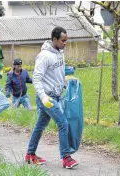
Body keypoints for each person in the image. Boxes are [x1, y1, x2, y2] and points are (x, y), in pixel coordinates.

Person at [25, 27, 79, 169]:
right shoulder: (44, 56)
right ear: (54, 39)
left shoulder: (60, 52)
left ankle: (30, 154)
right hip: (47, 98)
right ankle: (66, 158)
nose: (65, 43)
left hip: (56, 95)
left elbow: (57, 74)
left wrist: (66, 83)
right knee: (63, 123)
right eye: (63, 41)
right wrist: (43, 97)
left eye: (66, 41)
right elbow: (36, 79)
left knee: (40, 126)